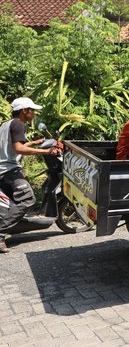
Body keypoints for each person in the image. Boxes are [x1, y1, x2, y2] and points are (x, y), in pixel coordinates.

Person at [0, 97, 60, 254]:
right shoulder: (19, 124)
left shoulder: (6, 124)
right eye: (31, 110)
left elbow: (13, 146)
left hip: (3, 167)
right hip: (8, 170)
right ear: (23, 111)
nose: (33, 113)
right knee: (28, 199)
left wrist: (33, 143)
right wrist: (46, 151)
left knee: (14, 202)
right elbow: (19, 149)